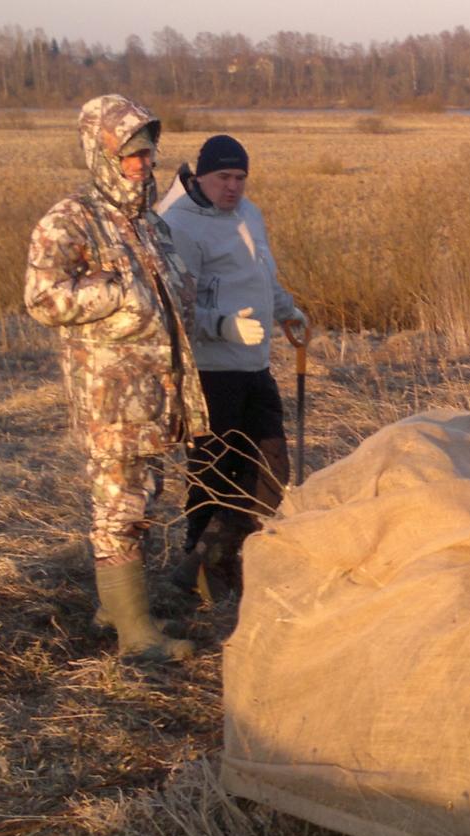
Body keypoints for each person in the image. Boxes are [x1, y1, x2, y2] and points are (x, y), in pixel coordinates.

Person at [24, 94, 209, 663]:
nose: (141, 164)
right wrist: (117, 294)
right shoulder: (70, 219)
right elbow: (42, 298)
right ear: (101, 153)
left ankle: (118, 608)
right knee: (119, 508)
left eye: (147, 153)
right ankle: (136, 636)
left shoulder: (148, 223)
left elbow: (172, 300)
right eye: (129, 154)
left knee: (143, 495)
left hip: (155, 396)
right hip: (109, 399)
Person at [161, 135, 307, 598]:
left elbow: (261, 275)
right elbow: (170, 310)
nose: (233, 186)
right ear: (200, 175)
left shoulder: (249, 213)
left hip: (253, 362)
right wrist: (222, 326)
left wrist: (285, 309)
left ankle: (206, 562)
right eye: (223, 176)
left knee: (270, 469)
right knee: (213, 470)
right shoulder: (177, 224)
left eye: (240, 177)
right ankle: (203, 570)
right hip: (208, 370)